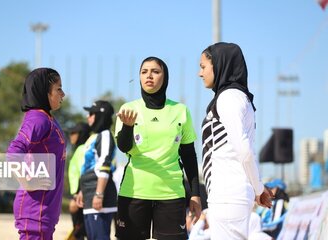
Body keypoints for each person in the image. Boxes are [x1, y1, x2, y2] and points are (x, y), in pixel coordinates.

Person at [115, 56, 202, 240]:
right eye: (144, 72)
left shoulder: (180, 110)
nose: (149, 76)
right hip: (134, 192)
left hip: (171, 194)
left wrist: (195, 195)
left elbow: (188, 156)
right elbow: (124, 147)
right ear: (139, 77)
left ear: (165, 77)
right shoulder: (128, 109)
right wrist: (128, 126)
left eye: (155, 71)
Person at [198, 42, 273, 239]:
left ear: (220, 65)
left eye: (203, 67)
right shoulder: (238, 97)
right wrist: (257, 187)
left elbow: (245, 151)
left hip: (228, 195)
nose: (200, 73)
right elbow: (248, 150)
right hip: (233, 194)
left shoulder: (228, 98)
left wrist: (258, 187)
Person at [7, 68, 66, 239]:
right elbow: (13, 151)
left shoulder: (48, 119)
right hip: (35, 210)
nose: (63, 94)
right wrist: (29, 181)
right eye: (58, 88)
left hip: (45, 211)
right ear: (43, 91)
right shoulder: (38, 119)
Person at [76, 100, 117, 240]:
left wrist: (99, 194)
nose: (88, 117)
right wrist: (82, 190)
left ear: (101, 116)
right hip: (89, 195)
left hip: (100, 196)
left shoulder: (105, 135)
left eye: (92, 114)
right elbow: (88, 167)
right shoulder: (95, 137)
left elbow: (104, 165)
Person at [67, 122, 91, 240]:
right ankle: (78, 232)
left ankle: (78, 232)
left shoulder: (83, 149)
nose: (71, 136)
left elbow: (85, 171)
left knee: (74, 208)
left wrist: (81, 191)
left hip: (82, 191)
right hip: (78, 191)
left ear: (81, 134)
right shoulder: (78, 149)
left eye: (73, 133)